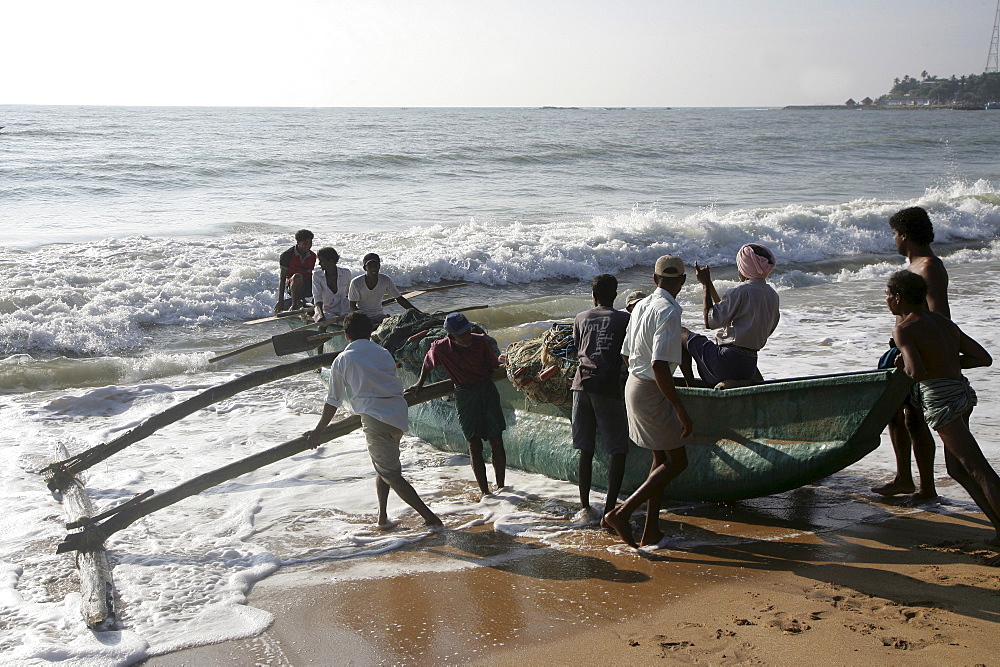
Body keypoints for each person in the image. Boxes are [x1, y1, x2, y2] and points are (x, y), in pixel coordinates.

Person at [885, 270, 1000, 544]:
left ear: (899, 298)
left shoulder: (903, 329)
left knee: (977, 469)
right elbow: (983, 358)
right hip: (961, 393)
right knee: (957, 469)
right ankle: (998, 528)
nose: (887, 300)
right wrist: (944, 360)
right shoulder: (943, 323)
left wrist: (902, 362)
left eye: (888, 295)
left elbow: (915, 371)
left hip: (941, 400)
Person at [307, 312, 443, 530]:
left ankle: (430, 518)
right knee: (383, 468)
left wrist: (318, 430)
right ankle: (382, 517)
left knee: (391, 474)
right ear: (370, 332)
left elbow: (333, 400)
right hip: (397, 415)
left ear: (345, 335)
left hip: (376, 419)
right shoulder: (383, 353)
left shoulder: (343, 359)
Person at [604, 255, 693, 548]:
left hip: (634, 384)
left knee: (660, 461)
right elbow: (659, 365)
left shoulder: (641, 305)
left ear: (655, 280)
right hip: (652, 388)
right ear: (681, 281)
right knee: (677, 462)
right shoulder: (669, 310)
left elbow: (626, 354)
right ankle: (622, 512)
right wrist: (680, 408)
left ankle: (650, 531)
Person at [873, 207, 950, 500]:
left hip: (916, 352)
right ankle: (904, 478)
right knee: (896, 414)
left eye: (894, 233)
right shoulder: (913, 265)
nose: (893, 239)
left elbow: (939, 316)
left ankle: (927, 487)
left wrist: (915, 351)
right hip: (902, 349)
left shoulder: (928, 266)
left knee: (915, 418)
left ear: (904, 235)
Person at [406, 312, 507, 497]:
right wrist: (419, 385)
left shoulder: (481, 342)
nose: (467, 337)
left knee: (496, 439)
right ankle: (485, 492)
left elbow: (493, 367)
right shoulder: (439, 348)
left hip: (486, 391)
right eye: (461, 335)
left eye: (468, 332)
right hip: (464, 394)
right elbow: (427, 365)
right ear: (450, 336)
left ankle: (501, 487)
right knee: (473, 443)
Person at [571, 274, 632, 519]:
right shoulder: (625, 319)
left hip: (580, 384)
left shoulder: (581, 317)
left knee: (586, 450)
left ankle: (584, 506)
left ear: (593, 296)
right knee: (617, 450)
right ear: (615, 295)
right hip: (607, 387)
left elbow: (578, 347)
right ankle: (609, 510)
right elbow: (629, 352)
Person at [681, 243, 779, 388]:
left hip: (725, 363)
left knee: (680, 332)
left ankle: (690, 387)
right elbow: (726, 312)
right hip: (748, 365)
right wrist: (708, 283)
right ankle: (745, 381)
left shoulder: (740, 291)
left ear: (744, 267)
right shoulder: (772, 295)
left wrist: (705, 286)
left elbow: (710, 321)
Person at [348, 253, 417, 324]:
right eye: (370, 266)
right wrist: (367, 320)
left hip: (380, 316)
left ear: (379, 266)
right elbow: (352, 307)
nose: (373, 268)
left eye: (375, 266)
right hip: (363, 318)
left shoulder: (385, 280)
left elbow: (399, 299)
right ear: (365, 268)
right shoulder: (356, 282)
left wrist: (418, 313)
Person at [275, 229, 317, 313]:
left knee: (320, 275)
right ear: (298, 242)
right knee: (298, 276)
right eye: (305, 243)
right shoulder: (287, 255)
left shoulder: (312, 256)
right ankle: (294, 305)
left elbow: (310, 274)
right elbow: (282, 278)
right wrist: (280, 301)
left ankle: (314, 303)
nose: (308, 246)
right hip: (292, 284)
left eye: (310, 243)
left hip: (306, 285)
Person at [312, 247, 353, 325]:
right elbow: (317, 298)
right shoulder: (317, 276)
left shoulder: (346, 273)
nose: (319, 264)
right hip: (326, 310)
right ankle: (320, 336)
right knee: (322, 323)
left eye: (322, 261)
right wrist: (321, 315)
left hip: (343, 309)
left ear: (331, 261)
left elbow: (349, 295)